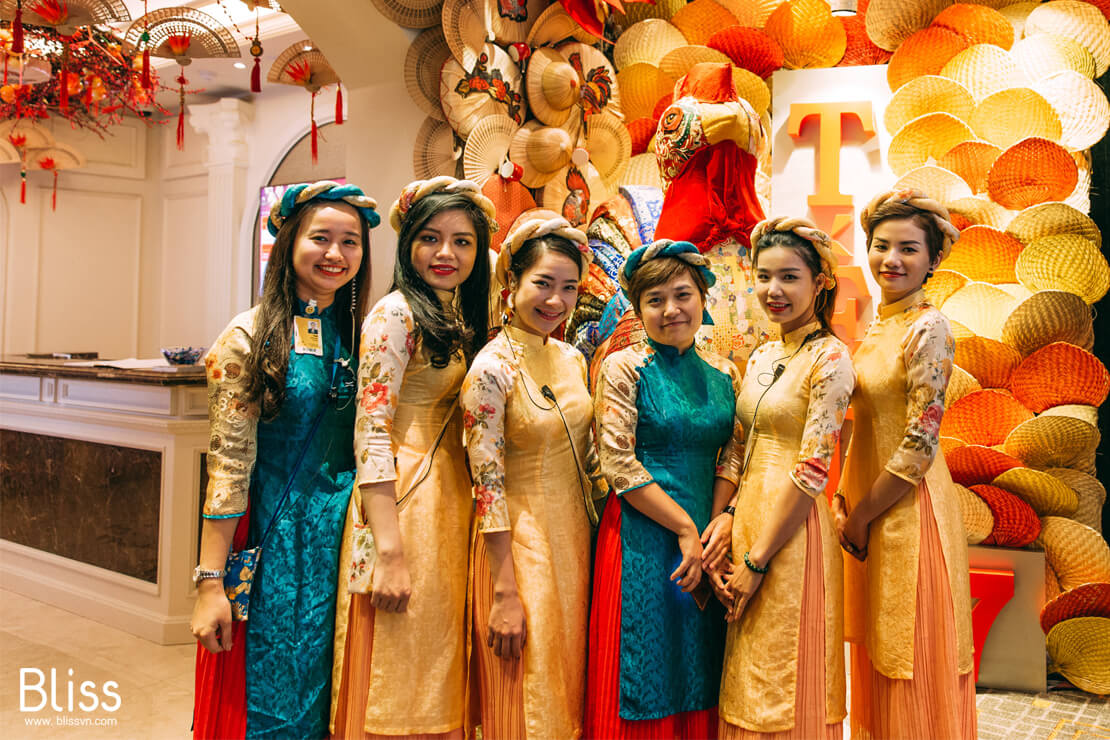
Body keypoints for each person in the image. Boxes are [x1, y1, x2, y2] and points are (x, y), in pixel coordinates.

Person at [191, 181, 379, 739]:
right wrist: (209, 583)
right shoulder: (247, 339)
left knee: (336, 694)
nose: (335, 254)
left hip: (343, 542)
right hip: (276, 546)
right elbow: (227, 468)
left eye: (351, 242)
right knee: (276, 692)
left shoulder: (362, 338)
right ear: (288, 241)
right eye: (320, 238)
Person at [329, 176, 495, 739]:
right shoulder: (394, 315)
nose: (446, 253)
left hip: (450, 502)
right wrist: (390, 551)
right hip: (403, 500)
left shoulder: (462, 316)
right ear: (407, 246)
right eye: (430, 238)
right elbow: (371, 430)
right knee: (399, 667)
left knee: (439, 663)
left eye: (462, 241)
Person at [587, 240, 745, 739]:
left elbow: (735, 453)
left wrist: (719, 523)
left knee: (701, 654)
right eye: (654, 300)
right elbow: (618, 462)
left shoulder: (724, 371)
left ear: (703, 298)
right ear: (638, 309)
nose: (670, 310)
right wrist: (684, 528)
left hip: (708, 531)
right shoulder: (623, 368)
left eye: (682, 295)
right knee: (646, 657)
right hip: (643, 531)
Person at [834, 189, 976, 739]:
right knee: (880, 652)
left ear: (933, 259)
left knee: (910, 656)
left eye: (908, 249)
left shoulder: (928, 329)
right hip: (870, 511)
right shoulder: (880, 324)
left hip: (907, 511)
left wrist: (863, 516)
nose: (890, 259)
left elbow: (919, 444)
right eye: (880, 245)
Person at [462, 216, 605, 740]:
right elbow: (488, 487)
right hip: (520, 549)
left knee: (570, 686)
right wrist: (504, 592)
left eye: (569, 287)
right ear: (511, 285)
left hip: (575, 541)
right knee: (532, 693)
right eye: (543, 284)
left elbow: (590, 457)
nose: (557, 301)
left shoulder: (569, 358)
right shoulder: (491, 369)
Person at [713, 218, 854, 739]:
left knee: (788, 670)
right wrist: (723, 520)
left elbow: (813, 469)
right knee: (749, 671)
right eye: (764, 276)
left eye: (789, 277)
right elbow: (738, 445)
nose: (774, 291)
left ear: (820, 283)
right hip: (749, 518)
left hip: (793, 534)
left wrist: (756, 560)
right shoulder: (765, 354)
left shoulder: (832, 358)